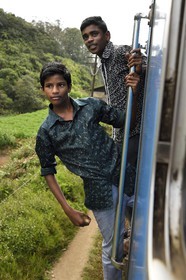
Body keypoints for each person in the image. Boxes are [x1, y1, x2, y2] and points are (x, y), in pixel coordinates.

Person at [35, 62, 140, 280]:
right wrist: (68, 210)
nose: (55, 91)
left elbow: (123, 120)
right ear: (43, 89)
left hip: (127, 176)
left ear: (69, 86)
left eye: (60, 85)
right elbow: (48, 172)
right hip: (99, 192)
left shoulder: (91, 106)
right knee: (113, 249)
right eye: (49, 86)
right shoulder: (46, 132)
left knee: (152, 222)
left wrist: (135, 92)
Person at [80, 16, 146, 221]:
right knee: (123, 183)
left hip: (135, 130)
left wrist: (141, 64)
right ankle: (131, 228)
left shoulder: (118, 52)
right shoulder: (102, 63)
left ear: (106, 36)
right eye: (85, 37)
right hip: (121, 131)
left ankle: (135, 229)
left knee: (127, 185)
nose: (90, 39)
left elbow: (139, 61)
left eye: (94, 34)